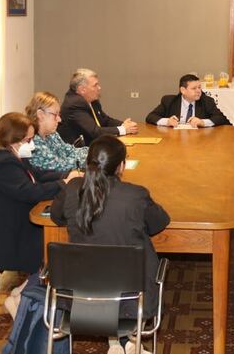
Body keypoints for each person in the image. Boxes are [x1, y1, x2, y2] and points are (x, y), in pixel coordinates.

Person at [51, 135, 170, 354]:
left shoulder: (72, 188)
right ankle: (129, 342)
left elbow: (56, 217)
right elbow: (160, 222)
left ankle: (116, 342)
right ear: (121, 166)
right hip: (132, 300)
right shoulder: (135, 195)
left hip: (79, 297)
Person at [0, 112, 79, 274]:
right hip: (1, 237)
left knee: (57, 232)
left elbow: (38, 174)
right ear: (12, 139)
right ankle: (32, 288)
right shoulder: (3, 163)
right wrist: (63, 183)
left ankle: (32, 287)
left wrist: (66, 175)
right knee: (55, 239)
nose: (32, 145)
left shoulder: (12, 154)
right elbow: (30, 192)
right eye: (28, 140)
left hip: (10, 220)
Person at [57, 68, 139, 145]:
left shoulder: (92, 99)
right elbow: (94, 132)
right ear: (82, 89)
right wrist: (123, 129)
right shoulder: (74, 104)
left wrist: (124, 124)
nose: (99, 88)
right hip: (78, 151)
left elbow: (104, 120)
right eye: (95, 85)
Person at [25, 91, 89, 171]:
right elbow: (62, 166)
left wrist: (94, 150)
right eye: (55, 115)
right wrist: (93, 157)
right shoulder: (32, 143)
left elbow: (70, 151)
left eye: (59, 115)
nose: (59, 119)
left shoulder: (52, 134)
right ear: (41, 115)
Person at [145, 74, 230, 127]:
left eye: (199, 87)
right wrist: (167, 121)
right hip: (175, 141)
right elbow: (150, 117)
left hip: (200, 142)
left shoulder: (206, 101)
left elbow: (221, 119)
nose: (198, 91)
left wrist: (202, 122)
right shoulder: (169, 101)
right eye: (194, 88)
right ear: (183, 90)